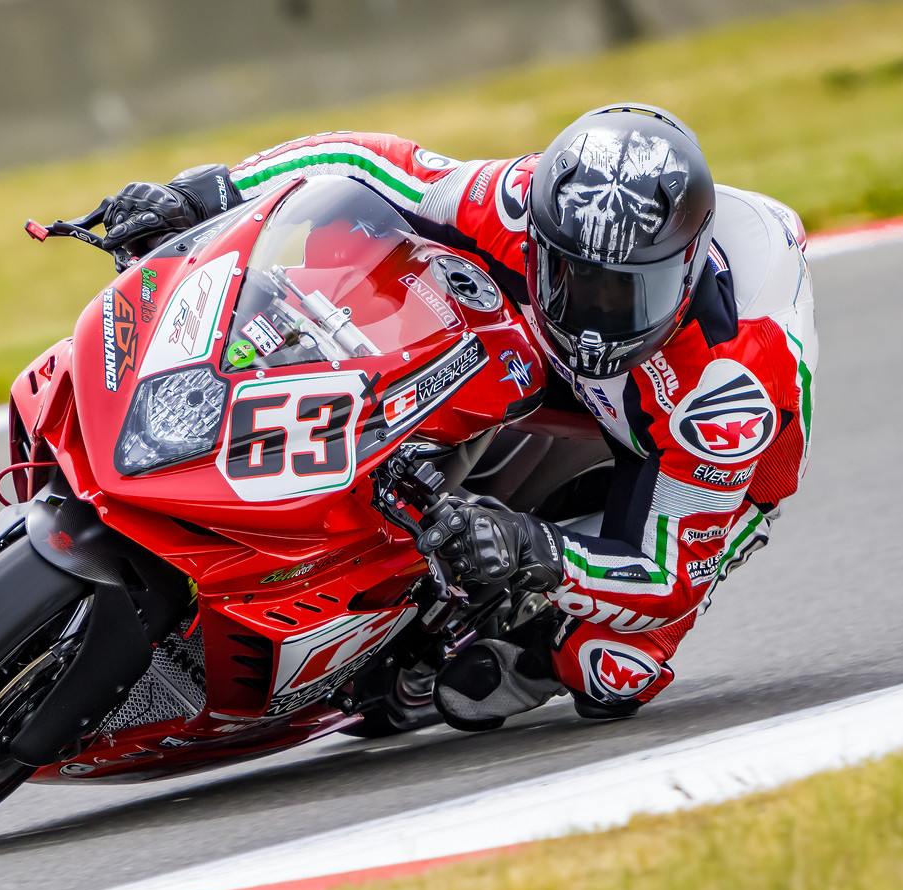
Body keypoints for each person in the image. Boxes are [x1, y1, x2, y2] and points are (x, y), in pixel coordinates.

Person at [97, 103, 817, 730]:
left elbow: (667, 577)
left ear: (686, 272)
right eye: (574, 277)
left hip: (685, 443)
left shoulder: (731, 391)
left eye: (624, 294)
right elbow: (361, 164)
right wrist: (206, 191)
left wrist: (534, 548)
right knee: (389, 266)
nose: (596, 317)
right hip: (545, 356)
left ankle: (465, 633)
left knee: (610, 666)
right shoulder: (517, 204)